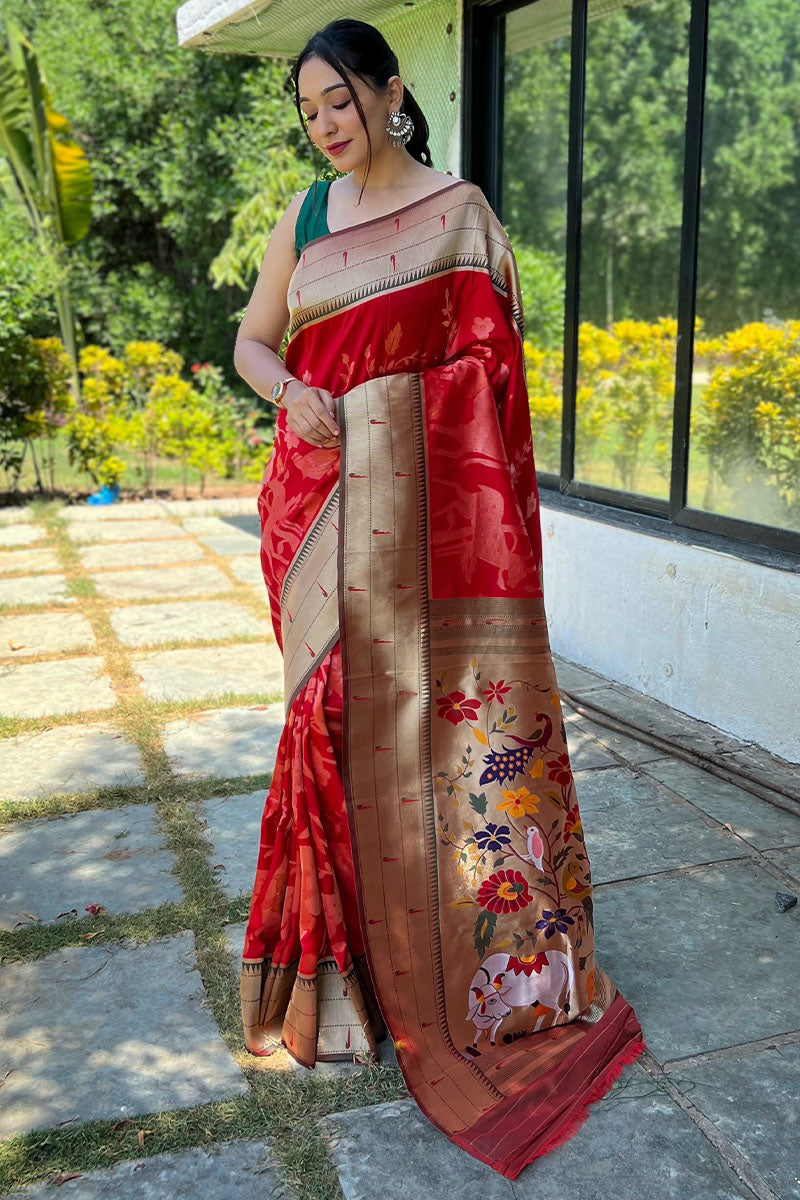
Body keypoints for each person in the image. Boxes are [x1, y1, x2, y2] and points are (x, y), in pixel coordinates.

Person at [233, 17, 645, 1179]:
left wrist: (391, 407)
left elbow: (491, 377)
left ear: (389, 90)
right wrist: (293, 397)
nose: (324, 126)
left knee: (439, 748)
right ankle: (345, 984)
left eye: (338, 102)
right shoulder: (305, 221)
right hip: (318, 518)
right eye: (307, 110)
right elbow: (253, 344)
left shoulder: (458, 214)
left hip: (434, 537)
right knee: (329, 732)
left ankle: (474, 964)